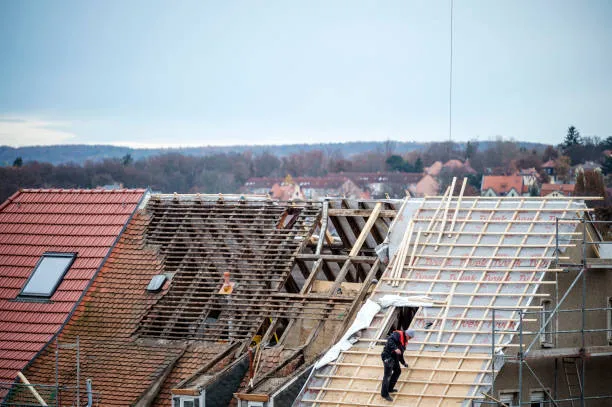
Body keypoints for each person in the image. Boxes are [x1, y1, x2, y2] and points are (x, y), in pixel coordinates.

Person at [380, 328, 415, 402]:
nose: (410, 339)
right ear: (406, 334)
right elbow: (390, 340)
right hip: (387, 355)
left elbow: (400, 354)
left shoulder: (405, 342)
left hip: (394, 357)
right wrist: (395, 348)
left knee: (398, 371)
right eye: (410, 337)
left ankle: (390, 388)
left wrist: (403, 363)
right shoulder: (398, 334)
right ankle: (384, 394)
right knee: (387, 375)